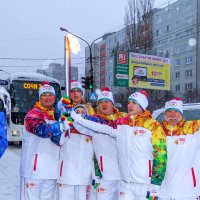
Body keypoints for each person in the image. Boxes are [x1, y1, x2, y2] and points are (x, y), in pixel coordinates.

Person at [71, 91, 167, 200]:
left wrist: (156, 183)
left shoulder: (153, 125)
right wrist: (78, 118)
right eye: (129, 102)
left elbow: (161, 156)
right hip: (125, 183)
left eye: (134, 103)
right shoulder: (121, 123)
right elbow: (100, 125)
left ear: (142, 106)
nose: (130, 105)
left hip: (145, 183)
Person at [70, 87, 127, 200]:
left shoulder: (123, 118)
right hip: (106, 173)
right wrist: (70, 115)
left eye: (106, 101)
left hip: (126, 173)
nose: (103, 104)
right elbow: (81, 128)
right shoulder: (93, 119)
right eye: (100, 102)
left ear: (112, 103)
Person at [20, 82, 69, 200]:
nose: (47, 98)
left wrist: (64, 112)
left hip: (51, 171)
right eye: (44, 95)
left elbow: (58, 141)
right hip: (34, 171)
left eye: (50, 95)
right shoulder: (33, 114)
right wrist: (61, 126)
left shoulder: (55, 116)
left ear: (54, 97)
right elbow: (41, 130)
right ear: (40, 97)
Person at [158, 98, 200, 200]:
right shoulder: (156, 132)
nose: (172, 115)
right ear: (165, 114)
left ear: (181, 113)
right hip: (163, 192)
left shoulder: (193, 131)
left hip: (188, 192)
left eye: (176, 111)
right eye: (169, 111)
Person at [57, 103, 94, 200]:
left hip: (85, 178)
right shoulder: (66, 129)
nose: (80, 115)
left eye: (83, 112)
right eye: (77, 112)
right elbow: (59, 141)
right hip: (66, 176)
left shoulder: (91, 133)